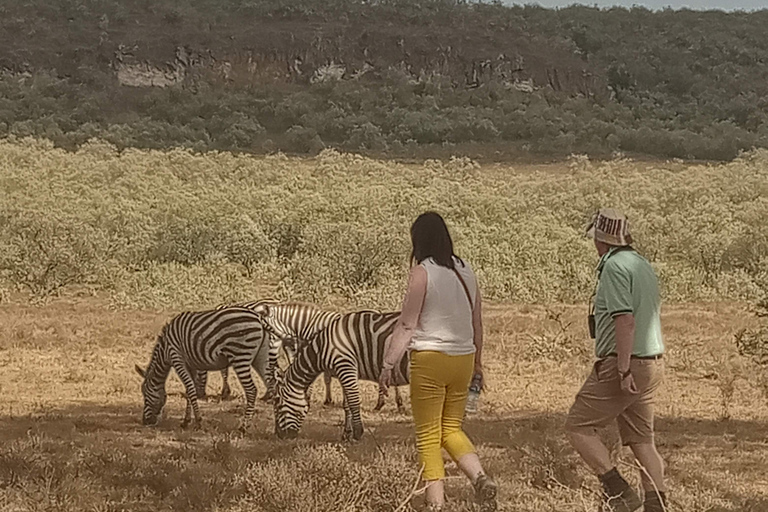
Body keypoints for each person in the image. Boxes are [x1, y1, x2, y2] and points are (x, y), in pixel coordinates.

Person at [379, 211, 497, 512]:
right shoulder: (465, 269)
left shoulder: (422, 272)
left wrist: (388, 363)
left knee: (428, 436)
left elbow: (406, 324)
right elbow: (477, 321)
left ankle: (435, 505)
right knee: (451, 429)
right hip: (464, 359)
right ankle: (480, 477)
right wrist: (478, 363)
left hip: (430, 360)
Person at [565, 209, 667, 512]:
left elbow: (625, 320)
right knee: (641, 440)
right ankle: (657, 506)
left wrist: (622, 369)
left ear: (601, 239)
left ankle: (618, 491)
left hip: (626, 364)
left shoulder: (613, 268)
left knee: (577, 427)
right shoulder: (641, 264)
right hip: (652, 362)